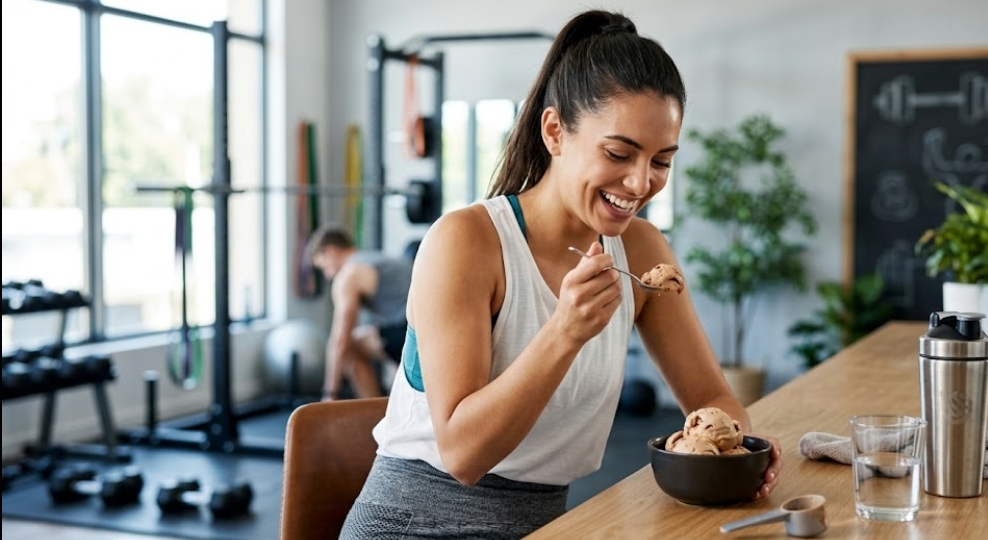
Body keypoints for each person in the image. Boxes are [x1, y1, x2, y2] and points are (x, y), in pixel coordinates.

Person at [340, 9, 783, 539]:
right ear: (554, 131)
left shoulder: (641, 250)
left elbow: (715, 398)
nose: (641, 183)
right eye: (619, 153)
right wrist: (565, 332)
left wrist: (737, 444)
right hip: (416, 522)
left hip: (546, 522)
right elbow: (463, 456)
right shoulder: (465, 242)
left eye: (662, 161)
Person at [307, 225, 412, 400]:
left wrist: (329, 394)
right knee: (366, 335)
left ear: (330, 252)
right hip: (425, 329)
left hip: (412, 333)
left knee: (350, 346)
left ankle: (372, 412)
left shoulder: (349, 275)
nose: (327, 275)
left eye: (324, 267)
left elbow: (340, 340)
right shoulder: (375, 258)